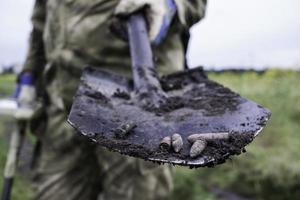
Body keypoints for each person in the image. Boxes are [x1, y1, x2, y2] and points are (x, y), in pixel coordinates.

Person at [16, 0, 207, 199]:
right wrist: (30, 71)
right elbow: (42, 18)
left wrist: (170, 4)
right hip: (63, 102)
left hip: (136, 106)